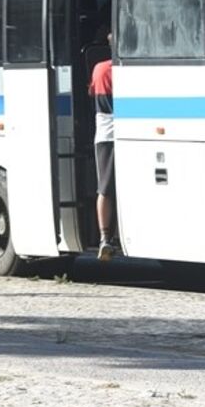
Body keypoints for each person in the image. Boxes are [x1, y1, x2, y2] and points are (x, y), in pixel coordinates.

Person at [87, 31, 117, 260]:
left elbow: (91, 95)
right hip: (115, 132)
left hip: (104, 133)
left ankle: (105, 237)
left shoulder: (99, 69)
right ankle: (107, 237)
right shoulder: (118, 71)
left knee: (105, 188)